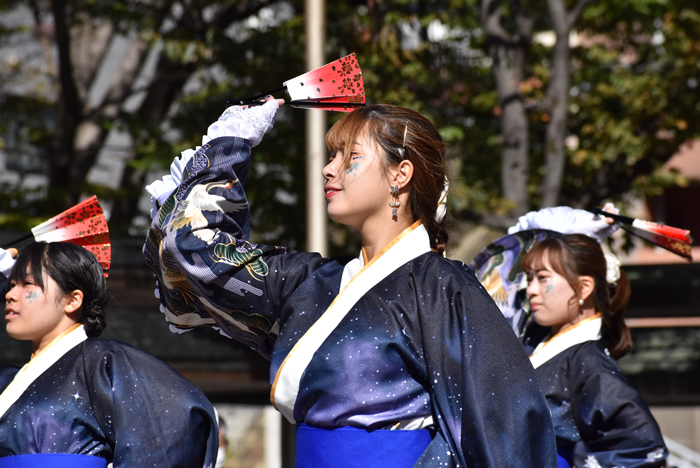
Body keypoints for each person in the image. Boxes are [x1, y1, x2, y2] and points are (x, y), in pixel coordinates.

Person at [143, 99, 557, 467]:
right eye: (331, 155)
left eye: (349, 156)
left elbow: (508, 426)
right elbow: (189, 253)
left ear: (401, 174)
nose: (329, 168)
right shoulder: (311, 283)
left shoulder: (444, 289)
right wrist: (226, 149)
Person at [0, 242, 219, 467]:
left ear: (72, 299)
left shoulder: (101, 361)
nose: (10, 294)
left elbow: (174, 416)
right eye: (10, 284)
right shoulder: (7, 378)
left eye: (27, 283)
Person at [521, 233, 667, 468]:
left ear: (583, 287)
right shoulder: (535, 337)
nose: (531, 290)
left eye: (542, 278)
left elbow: (645, 452)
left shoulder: (591, 363)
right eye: (529, 279)